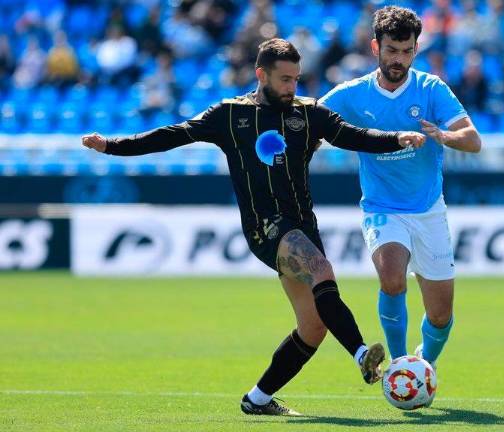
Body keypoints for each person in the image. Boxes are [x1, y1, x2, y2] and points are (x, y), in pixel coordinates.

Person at [81, 38, 425, 416]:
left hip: (303, 227)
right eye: (284, 79)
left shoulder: (308, 114)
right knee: (322, 271)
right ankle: (362, 354)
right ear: (261, 74)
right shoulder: (230, 115)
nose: (292, 87)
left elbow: (353, 135)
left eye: (296, 78)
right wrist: (112, 145)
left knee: (313, 326)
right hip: (265, 228)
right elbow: (172, 136)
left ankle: (257, 399)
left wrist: (396, 138)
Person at [318, 6, 481, 382]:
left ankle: (426, 360)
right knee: (392, 278)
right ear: (375, 46)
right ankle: (400, 365)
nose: (399, 59)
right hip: (382, 207)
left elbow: (473, 140)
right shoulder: (351, 95)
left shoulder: (431, 89)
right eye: (392, 50)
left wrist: (444, 136)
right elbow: (310, 123)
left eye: (407, 51)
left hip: (428, 210)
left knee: (440, 314)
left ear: (416, 49)